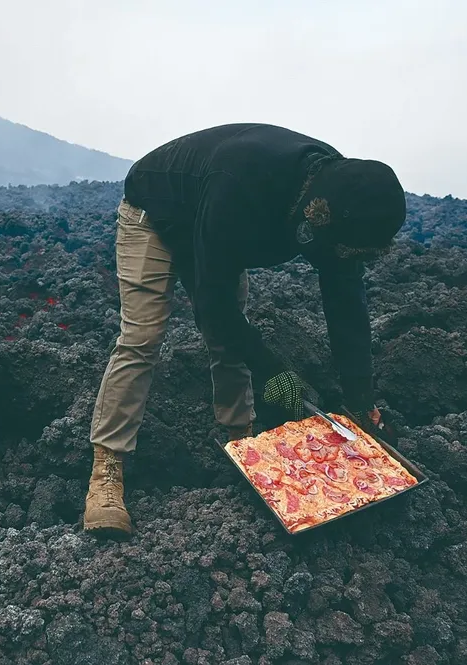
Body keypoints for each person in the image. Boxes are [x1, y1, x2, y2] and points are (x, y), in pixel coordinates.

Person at [82, 123, 407, 537]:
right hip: (158, 212)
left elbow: (346, 308)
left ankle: (241, 444)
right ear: (312, 215)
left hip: (217, 221)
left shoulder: (348, 202)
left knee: (229, 344)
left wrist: (361, 404)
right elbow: (212, 306)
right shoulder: (242, 186)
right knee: (142, 338)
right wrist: (276, 373)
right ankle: (106, 470)